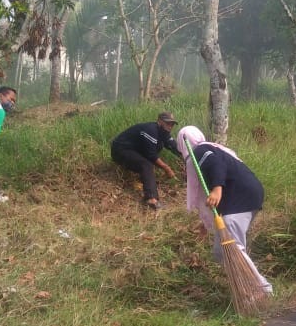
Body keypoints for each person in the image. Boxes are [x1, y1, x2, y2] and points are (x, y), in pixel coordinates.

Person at [176, 125, 273, 294]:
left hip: (240, 198)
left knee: (234, 248)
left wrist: (217, 189)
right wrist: (207, 222)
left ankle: (262, 290)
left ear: (183, 144)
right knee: (221, 252)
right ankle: (242, 288)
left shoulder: (200, 150)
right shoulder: (212, 148)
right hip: (247, 195)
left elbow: (216, 165)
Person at [110, 112, 183, 209]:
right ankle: (151, 200)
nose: (170, 126)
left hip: (134, 150)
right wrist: (167, 169)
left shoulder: (164, 133)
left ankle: (143, 181)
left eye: (172, 124)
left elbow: (175, 148)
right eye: (168, 123)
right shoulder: (151, 130)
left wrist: (188, 158)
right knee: (147, 165)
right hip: (120, 150)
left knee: (146, 163)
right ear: (160, 121)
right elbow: (151, 155)